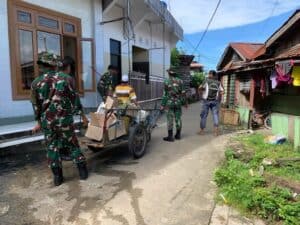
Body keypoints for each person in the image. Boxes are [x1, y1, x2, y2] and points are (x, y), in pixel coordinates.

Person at [31, 52, 88, 187]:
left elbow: (35, 106)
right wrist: (82, 115)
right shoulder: (67, 79)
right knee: (73, 144)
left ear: (40, 66)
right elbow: (75, 100)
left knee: (52, 147)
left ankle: (58, 178)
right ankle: (83, 173)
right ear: (54, 64)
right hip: (64, 121)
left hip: (47, 122)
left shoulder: (35, 83)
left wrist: (38, 122)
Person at [161, 68, 187, 142]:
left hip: (169, 103)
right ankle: (178, 135)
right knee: (178, 118)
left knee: (170, 119)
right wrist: (185, 103)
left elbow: (165, 94)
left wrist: (162, 104)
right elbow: (183, 93)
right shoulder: (180, 81)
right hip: (178, 103)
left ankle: (170, 136)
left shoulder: (166, 81)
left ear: (169, 73)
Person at [198, 70, 224, 136]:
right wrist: (218, 94)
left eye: (209, 74)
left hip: (206, 101)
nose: (208, 75)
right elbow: (223, 92)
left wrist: (201, 91)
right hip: (215, 101)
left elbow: (200, 87)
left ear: (211, 75)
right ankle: (216, 132)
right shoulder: (219, 83)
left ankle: (202, 131)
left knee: (204, 116)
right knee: (215, 115)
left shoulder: (206, 81)